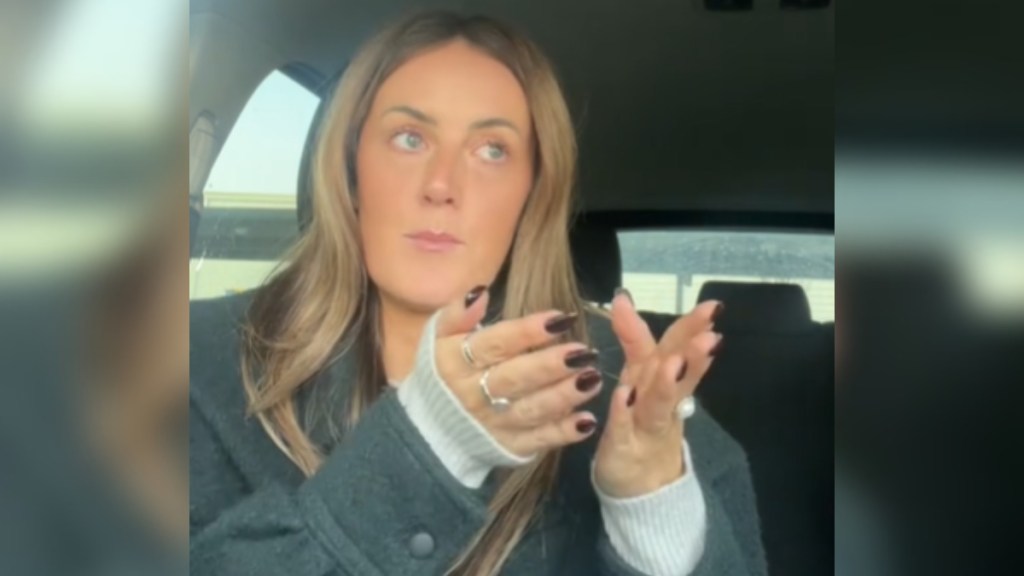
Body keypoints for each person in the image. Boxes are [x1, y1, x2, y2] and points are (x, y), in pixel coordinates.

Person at [189, 11, 766, 576]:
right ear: (350, 168)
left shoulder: (634, 407)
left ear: (531, 193)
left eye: (492, 150)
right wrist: (427, 449)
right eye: (410, 138)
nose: (442, 185)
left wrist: (651, 515)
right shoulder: (191, 364)